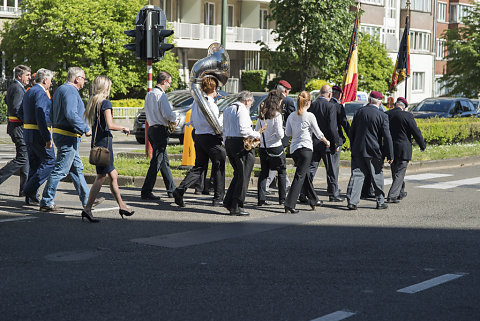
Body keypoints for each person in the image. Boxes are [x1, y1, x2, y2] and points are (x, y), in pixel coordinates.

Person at [39, 67, 101, 213]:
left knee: (76, 169)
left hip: (62, 133)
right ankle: (46, 201)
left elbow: (52, 113)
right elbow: (71, 114)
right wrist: (85, 128)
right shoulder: (71, 91)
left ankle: (87, 199)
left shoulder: (60, 89)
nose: (84, 82)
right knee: (60, 170)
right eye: (84, 78)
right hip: (68, 136)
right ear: (77, 78)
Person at [81, 75, 134, 223]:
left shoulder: (94, 103)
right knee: (101, 177)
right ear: (105, 87)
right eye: (109, 85)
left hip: (97, 142)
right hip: (104, 144)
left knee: (114, 175)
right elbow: (110, 125)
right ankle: (87, 209)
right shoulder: (105, 103)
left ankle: (122, 205)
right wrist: (123, 127)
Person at [173, 77, 226, 208]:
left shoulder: (196, 103)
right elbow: (217, 125)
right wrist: (223, 118)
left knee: (198, 167)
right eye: (217, 89)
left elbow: (192, 121)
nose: (217, 91)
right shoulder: (211, 104)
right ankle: (218, 198)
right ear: (214, 89)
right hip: (211, 138)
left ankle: (180, 190)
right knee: (219, 166)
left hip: (198, 136)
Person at [346, 91, 393, 210]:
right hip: (374, 150)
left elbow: (352, 132)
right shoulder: (382, 116)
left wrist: (353, 145)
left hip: (358, 149)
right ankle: (380, 201)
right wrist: (390, 154)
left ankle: (352, 201)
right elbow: (387, 137)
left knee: (357, 175)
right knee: (377, 175)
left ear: (369, 100)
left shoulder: (359, 112)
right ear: (380, 102)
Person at [284, 91, 330, 214]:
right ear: (308, 102)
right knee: (300, 175)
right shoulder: (309, 116)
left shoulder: (292, 116)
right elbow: (318, 132)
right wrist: (326, 141)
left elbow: (287, 133)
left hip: (294, 149)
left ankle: (314, 199)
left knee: (304, 175)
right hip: (306, 148)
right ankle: (289, 204)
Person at [18, 69, 55, 205]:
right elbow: (41, 115)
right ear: (45, 80)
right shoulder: (40, 93)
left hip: (28, 133)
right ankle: (29, 189)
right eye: (50, 80)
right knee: (50, 161)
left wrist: (28, 124)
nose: (50, 83)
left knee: (35, 164)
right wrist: (47, 138)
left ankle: (31, 197)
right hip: (38, 134)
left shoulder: (30, 92)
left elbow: (20, 112)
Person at [141, 71, 177, 200]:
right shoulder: (161, 95)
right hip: (160, 130)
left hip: (151, 129)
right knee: (156, 162)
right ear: (164, 81)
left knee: (163, 162)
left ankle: (172, 189)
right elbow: (167, 114)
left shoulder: (149, 94)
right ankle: (146, 191)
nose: (169, 85)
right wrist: (174, 119)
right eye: (169, 83)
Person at [222, 91, 259, 216]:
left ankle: (228, 201)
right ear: (247, 100)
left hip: (229, 142)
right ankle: (237, 206)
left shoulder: (228, 108)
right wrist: (257, 134)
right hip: (241, 144)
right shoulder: (242, 109)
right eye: (251, 103)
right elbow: (244, 130)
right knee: (244, 176)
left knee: (238, 174)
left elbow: (224, 129)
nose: (250, 105)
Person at [304, 84, 342, 203]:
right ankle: (333, 194)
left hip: (314, 142)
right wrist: (335, 143)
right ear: (330, 94)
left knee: (311, 169)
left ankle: (304, 192)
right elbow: (332, 127)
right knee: (331, 170)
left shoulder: (312, 105)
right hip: (327, 143)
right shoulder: (331, 106)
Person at [386, 97, 426, 203]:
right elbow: (416, 132)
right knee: (400, 172)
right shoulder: (407, 116)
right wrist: (422, 145)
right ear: (404, 108)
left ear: (395, 105)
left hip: (390, 148)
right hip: (403, 148)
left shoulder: (386, 114)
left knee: (396, 171)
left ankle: (400, 191)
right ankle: (392, 195)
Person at [0, 65, 31, 197]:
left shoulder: (14, 86)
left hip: (16, 128)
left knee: (26, 158)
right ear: (19, 76)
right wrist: (28, 121)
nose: (30, 78)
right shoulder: (18, 89)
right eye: (27, 75)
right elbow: (17, 109)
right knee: (22, 158)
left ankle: (25, 189)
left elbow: (8, 101)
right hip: (18, 128)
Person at [256, 90, 287, 206]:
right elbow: (280, 134)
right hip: (276, 148)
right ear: (278, 101)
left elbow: (256, 131)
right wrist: (283, 132)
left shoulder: (261, 114)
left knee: (264, 172)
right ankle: (282, 199)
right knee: (282, 172)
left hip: (263, 147)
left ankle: (261, 199)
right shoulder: (277, 115)